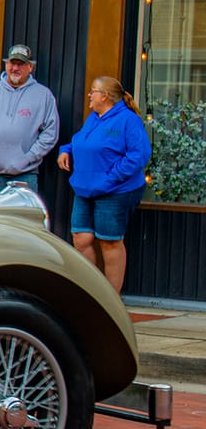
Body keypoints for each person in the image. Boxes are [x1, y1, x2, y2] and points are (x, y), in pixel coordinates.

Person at [57, 76, 151, 294]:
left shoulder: (128, 120)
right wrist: (66, 150)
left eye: (93, 91)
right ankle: (94, 293)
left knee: (109, 242)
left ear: (105, 96)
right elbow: (81, 140)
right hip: (85, 187)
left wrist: (111, 177)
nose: (90, 95)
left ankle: (111, 300)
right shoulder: (94, 118)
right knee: (81, 238)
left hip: (116, 190)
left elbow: (139, 155)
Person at [0, 43, 59, 201]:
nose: (15, 68)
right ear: (6, 65)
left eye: (20, 64)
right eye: (12, 63)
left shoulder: (43, 95)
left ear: (30, 67)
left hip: (25, 176)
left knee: (21, 224)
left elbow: (51, 133)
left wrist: (29, 157)